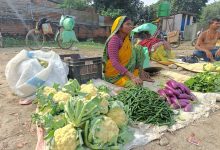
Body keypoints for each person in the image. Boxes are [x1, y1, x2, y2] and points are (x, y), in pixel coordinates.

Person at [103, 16, 154, 87]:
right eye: (128, 24)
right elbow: (114, 62)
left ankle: (141, 74)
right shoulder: (114, 40)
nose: (131, 26)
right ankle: (124, 78)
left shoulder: (126, 39)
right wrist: (132, 76)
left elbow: (132, 55)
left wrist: (141, 71)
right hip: (115, 74)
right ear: (120, 27)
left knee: (138, 48)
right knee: (137, 85)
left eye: (131, 24)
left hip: (125, 69)